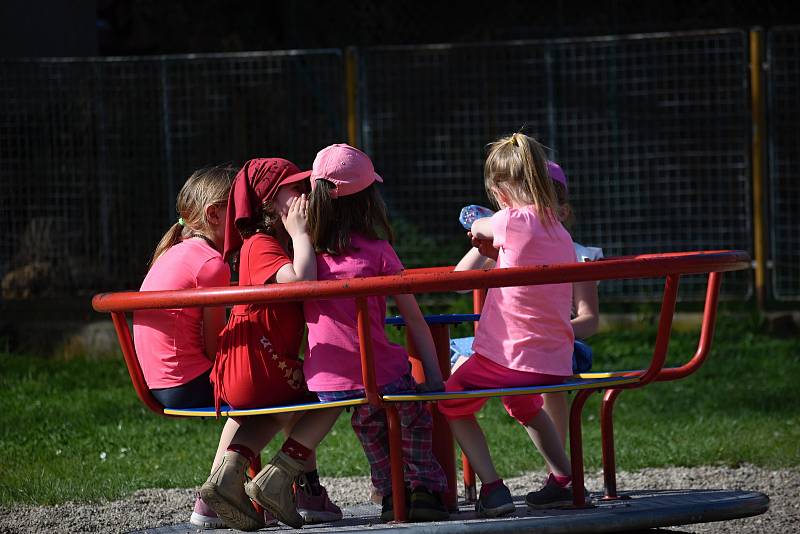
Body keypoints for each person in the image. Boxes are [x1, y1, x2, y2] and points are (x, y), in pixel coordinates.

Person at [242, 144, 450, 527]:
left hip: (325, 380)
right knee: (412, 417)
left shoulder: (305, 257)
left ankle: (389, 492)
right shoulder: (379, 252)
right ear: (368, 202)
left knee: (370, 427)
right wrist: (434, 379)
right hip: (380, 374)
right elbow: (414, 320)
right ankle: (418, 491)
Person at [438, 132, 580, 518]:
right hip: (553, 359)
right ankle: (565, 478)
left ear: (500, 191)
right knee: (521, 402)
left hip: (510, 355)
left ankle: (493, 487)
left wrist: (481, 235)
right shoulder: (559, 231)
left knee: (451, 397)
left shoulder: (510, 221)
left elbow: (460, 272)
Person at [199, 158, 342, 531]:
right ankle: (277, 479)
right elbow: (302, 282)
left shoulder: (266, 243)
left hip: (259, 364)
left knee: (278, 408)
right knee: (338, 396)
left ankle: (228, 476)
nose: (303, 195)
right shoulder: (260, 243)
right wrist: (300, 235)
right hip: (257, 363)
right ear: (266, 201)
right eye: (292, 189)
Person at [450, 160, 602, 452]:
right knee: (461, 362)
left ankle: (554, 472)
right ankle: (559, 475)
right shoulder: (509, 239)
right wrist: (489, 242)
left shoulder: (577, 254)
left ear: (564, 211)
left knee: (544, 377)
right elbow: (460, 280)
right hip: (508, 346)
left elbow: (590, 320)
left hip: (555, 344)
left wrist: (547, 332)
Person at [132, 165, 242, 529]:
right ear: (214, 214)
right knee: (271, 393)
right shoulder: (211, 264)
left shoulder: (174, 253)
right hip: (185, 385)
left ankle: (251, 490)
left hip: (159, 384)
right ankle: (216, 496)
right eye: (241, 208)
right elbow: (215, 349)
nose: (250, 217)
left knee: (270, 387)